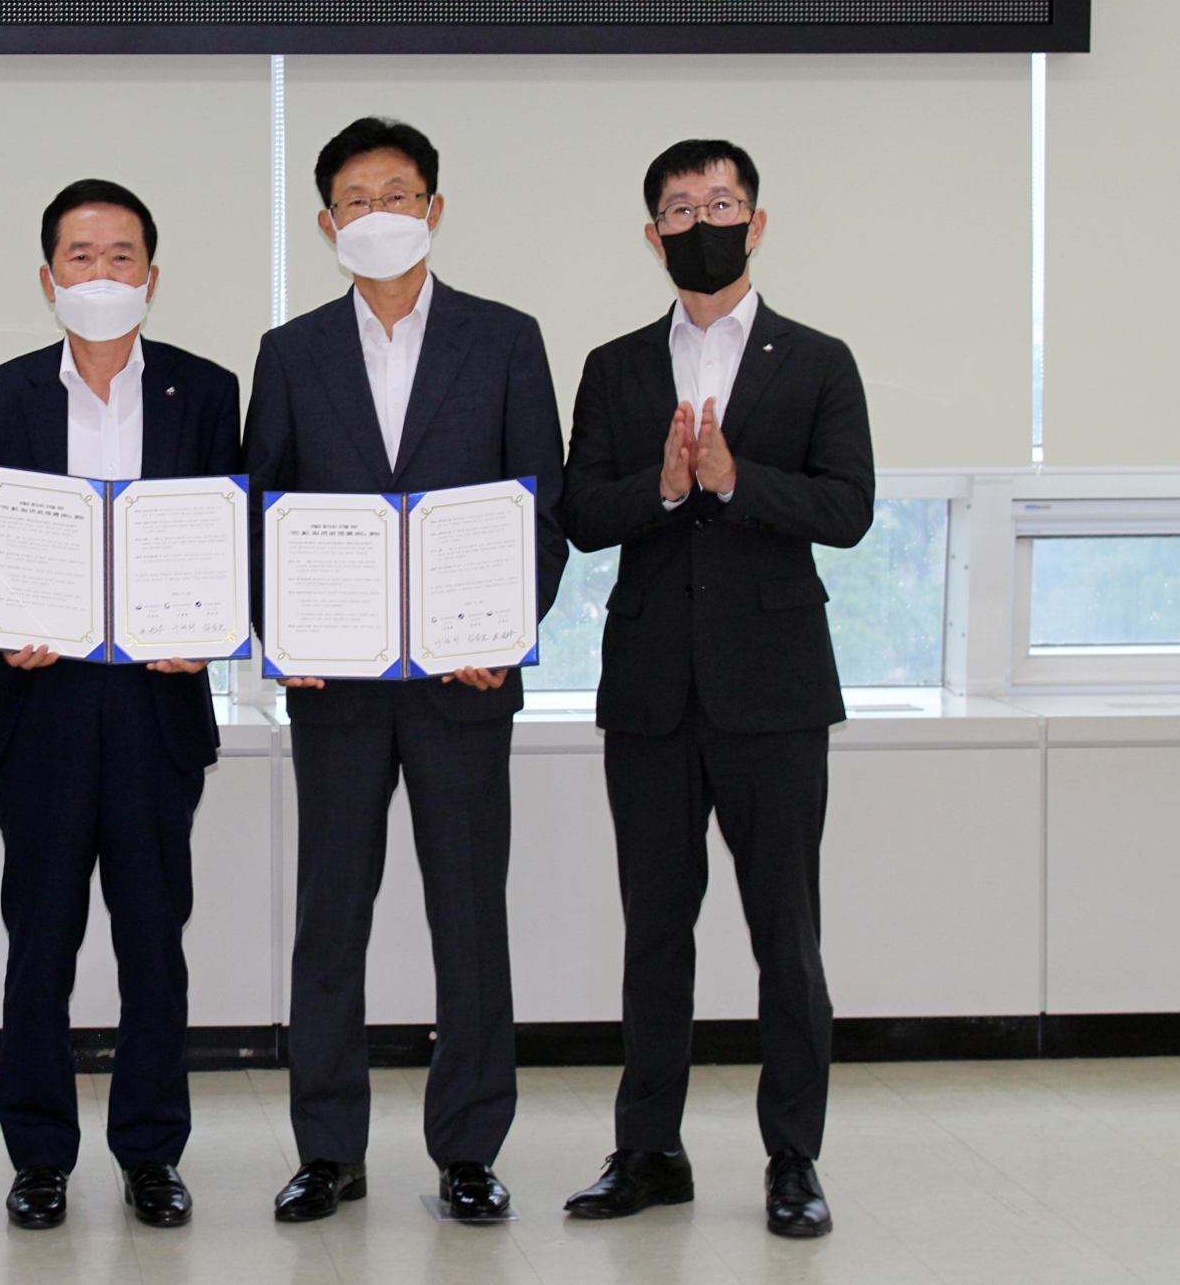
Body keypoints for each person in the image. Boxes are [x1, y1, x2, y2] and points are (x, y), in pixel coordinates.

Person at [245, 117, 565, 1225]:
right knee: (329, 920)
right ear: (324, 221)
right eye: (354, 198)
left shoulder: (504, 339)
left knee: (467, 919)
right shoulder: (290, 352)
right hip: (334, 692)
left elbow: (541, 505)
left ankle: (468, 1147)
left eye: (396, 194)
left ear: (432, 208)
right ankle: (327, 1148)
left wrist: (502, 631)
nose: (376, 214)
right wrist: (285, 633)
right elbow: (262, 511)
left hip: (461, 688)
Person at [559, 140, 873, 1240]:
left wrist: (739, 482)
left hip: (775, 690)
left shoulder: (817, 360)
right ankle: (648, 1148)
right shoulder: (613, 366)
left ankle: (792, 1156)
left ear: (756, 221)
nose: (703, 221)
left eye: (721, 201)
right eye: (681, 208)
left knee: (785, 932)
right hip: (649, 690)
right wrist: (657, 487)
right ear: (653, 236)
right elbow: (578, 511)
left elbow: (848, 507)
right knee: (655, 929)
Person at [0, 180, 240, 1232]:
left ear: (151, 276)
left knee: (153, 943)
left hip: (157, 705)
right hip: (40, 704)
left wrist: (208, 622)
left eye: (121, 255)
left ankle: (150, 1151)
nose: (101, 273)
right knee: (39, 944)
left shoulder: (205, 391)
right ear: (48, 278)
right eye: (81, 256)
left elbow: (232, 531)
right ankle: (38, 1155)